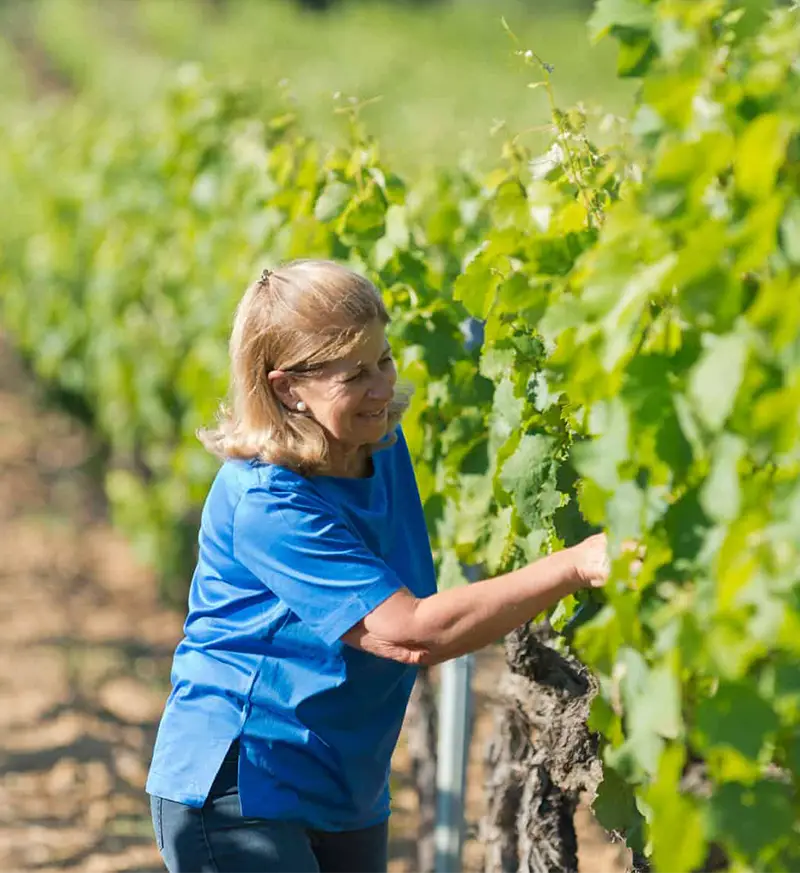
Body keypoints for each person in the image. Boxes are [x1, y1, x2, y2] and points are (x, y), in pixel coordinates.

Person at [145, 259, 611, 873]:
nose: (381, 387)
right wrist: (574, 564)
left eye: (384, 360)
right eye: (354, 374)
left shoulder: (378, 444)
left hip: (346, 781)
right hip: (243, 784)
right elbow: (411, 632)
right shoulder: (267, 501)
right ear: (289, 389)